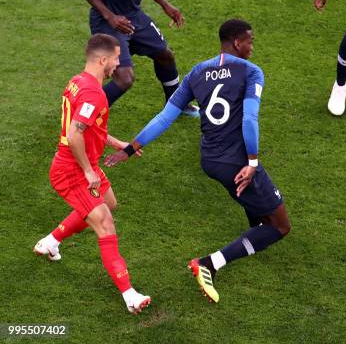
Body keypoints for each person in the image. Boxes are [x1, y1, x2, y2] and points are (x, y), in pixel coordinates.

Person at [105, 19, 291, 303]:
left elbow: (165, 117)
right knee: (279, 226)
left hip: (211, 160)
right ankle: (210, 263)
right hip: (236, 161)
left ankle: (255, 230)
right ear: (238, 42)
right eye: (250, 41)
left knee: (256, 203)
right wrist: (252, 162)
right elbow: (250, 119)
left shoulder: (197, 73)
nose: (252, 46)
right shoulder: (251, 72)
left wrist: (130, 149)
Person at [33, 34, 151, 314]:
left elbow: (88, 127)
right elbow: (75, 135)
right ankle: (130, 295)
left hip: (81, 162)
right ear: (103, 59)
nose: (119, 63)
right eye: (116, 58)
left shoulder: (77, 81)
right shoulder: (93, 93)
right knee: (105, 223)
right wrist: (88, 171)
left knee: (108, 203)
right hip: (72, 168)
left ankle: (50, 242)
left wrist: (116, 143)